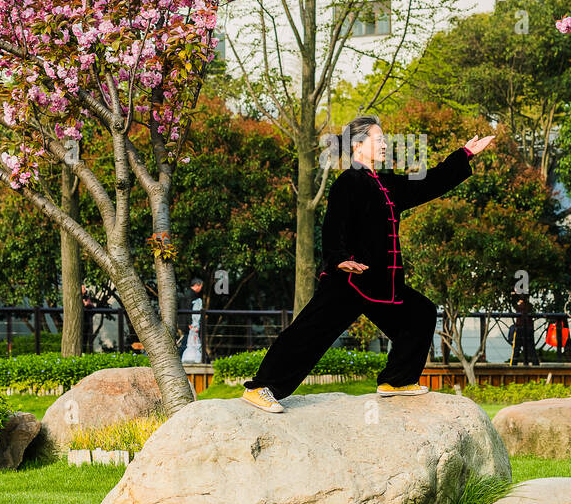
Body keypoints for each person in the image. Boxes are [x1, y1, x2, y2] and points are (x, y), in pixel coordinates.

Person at [241, 115, 494, 412]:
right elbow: (333, 225)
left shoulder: (385, 183)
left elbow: (429, 183)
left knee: (420, 313)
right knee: (307, 334)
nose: (386, 144)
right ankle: (261, 387)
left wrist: (463, 154)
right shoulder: (348, 182)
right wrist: (339, 260)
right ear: (359, 146)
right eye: (379, 139)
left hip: (379, 283)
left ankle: (396, 381)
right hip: (348, 281)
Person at [180, 277, 205, 365]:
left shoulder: (188, 293)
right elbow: (189, 310)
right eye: (201, 286)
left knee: (188, 340)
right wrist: (190, 323)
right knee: (186, 341)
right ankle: (180, 357)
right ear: (197, 285)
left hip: (185, 322)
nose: (201, 288)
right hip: (188, 323)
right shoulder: (191, 295)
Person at [510, 293, 537, 365]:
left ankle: (513, 364)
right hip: (529, 328)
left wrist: (513, 296)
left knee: (517, 348)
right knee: (531, 348)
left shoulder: (520, 307)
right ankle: (535, 363)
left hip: (520, 329)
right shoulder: (530, 306)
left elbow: (514, 305)